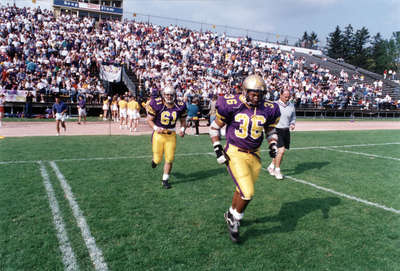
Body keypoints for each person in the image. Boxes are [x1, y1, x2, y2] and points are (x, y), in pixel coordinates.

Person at [209, 74, 281, 243]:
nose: (256, 97)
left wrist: (272, 144)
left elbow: (270, 130)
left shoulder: (269, 108)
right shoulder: (232, 104)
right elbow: (214, 128)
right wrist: (218, 149)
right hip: (235, 152)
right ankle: (236, 220)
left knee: (241, 189)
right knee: (247, 193)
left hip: (255, 154)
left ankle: (230, 214)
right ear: (244, 91)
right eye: (253, 94)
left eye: (259, 94)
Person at [146, 85, 187, 189]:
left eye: (171, 94)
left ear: (174, 95)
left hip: (171, 135)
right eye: (167, 94)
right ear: (163, 95)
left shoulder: (180, 105)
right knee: (158, 159)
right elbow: (149, 120)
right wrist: (156, 128)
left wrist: (182, 130)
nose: (169, 96)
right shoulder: (157, 103)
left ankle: (165, 180)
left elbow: (183, 120)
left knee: (169, 158)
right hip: (159, 135)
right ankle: (154, 161)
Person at [267, 90, 296, 180]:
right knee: (281, 151)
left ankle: (271, 166)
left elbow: (293, 117)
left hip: (286, 130)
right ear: (280, 95)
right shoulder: (274, 105)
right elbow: (268, 116)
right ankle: (277, 170)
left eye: (288, 97)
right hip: (276, 130)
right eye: (285, 96)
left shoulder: (291, 105)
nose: (287, 98)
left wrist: (292, 123)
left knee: (279, 152)